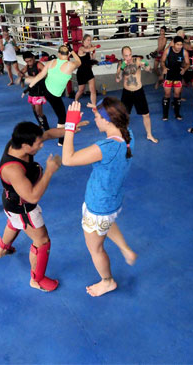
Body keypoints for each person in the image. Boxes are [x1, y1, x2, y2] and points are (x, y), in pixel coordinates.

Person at [61, 98, 137, 297]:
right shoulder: (128, 135)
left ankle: (107, 281)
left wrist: (69, 126)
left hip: (99, 205)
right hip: (112, 199)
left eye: (97, 117)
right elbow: (115, 116)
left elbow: (67, 159)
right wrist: (99, 108)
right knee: (108, 222)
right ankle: (125, 248)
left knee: (95, 248)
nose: (95, 120)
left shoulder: (106, 148)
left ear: (108, 120)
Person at [0, 122, 73, 292]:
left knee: (14, 223)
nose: (42, 145)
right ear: (25, 146)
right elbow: (32, 196)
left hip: (12, 204)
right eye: (38, 144)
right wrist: (50, 171)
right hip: (23, 207)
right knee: (42, 240)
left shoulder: (20, 143)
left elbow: (49, 134)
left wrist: (70, 129)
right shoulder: (13, 169)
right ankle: (37, 280)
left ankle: (3, 249)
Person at [23, 44, 81, 146]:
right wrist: (72, 51)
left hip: (46, 89)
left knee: (40, 81)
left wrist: (31, 85)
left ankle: (28, 81)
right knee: (62, 117)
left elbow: (41, 75)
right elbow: (79, 61)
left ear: (58, 54)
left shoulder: (51, 62)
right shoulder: (70, 65)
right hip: (54, 95)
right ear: (68, 55)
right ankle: (61, 141)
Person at [117, 46, 158, 143]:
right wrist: (122, 67)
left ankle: (149, 134)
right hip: (127, 93)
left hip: (138, 92)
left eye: (130, 54)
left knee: (146, 115)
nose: (129, 57)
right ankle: (123, 136)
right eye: (126, 56)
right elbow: (118, 79)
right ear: (123, 56)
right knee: (124, 116)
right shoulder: (120, 64)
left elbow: (149, 70)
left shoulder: (138, 61)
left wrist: (146, 64)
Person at [160, 36, 189, 121]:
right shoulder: (168, 50)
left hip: (178, 75)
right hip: (168, 74)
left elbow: (188, 63)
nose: (179, 46)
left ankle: (177, 114)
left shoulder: (184, 52)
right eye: (178, 44)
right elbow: (162, 61)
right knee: (167, 94)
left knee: (177, 94)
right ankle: (165, 115)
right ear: (174, 44)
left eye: (181, 44)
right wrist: (164, 67)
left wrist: (184, 69)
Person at [20, 51, 50, 130]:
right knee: (33, 109)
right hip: (32, 90)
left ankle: (46, 128)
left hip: (39, 91)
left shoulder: (39, 64)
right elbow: (21, 72)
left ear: (33, 58)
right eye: (26, 61)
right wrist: (22, 78)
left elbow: (46, 74)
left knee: (39, 111)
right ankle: (40, 124)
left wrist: (35, 78)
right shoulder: (27, 66)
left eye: (30, 61)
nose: (29, 63)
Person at [74, 34, 98, 106]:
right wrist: (94, 47)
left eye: (90, 40)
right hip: (81, 73)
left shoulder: (89, 49)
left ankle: (94, 105)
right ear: (83, 41)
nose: (89, 42)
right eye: (88, 40)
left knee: (93, 90)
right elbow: (87, 50)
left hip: (89, 72)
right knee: (81, 90)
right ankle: (76, 101)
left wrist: (94, 52)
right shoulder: (81, 48)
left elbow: (92, 58)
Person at [181, 39, 193, 103]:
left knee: (181, 85)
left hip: (186, 72)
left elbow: (184, 64)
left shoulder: (185, 52)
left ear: (185, 44)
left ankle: (178, 99)